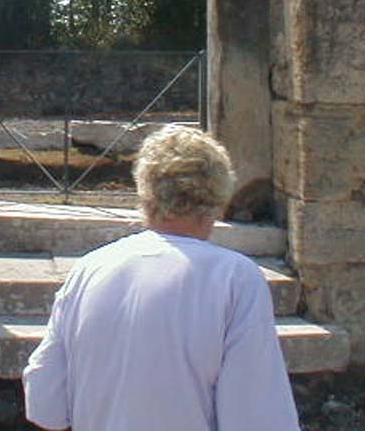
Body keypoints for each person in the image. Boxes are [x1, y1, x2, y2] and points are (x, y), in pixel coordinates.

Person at [22, 125, 300, 431]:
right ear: (219, 199)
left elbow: (45, 402)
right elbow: (257, 414)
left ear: (144, 192)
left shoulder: (89, 269)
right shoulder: (235, 278)